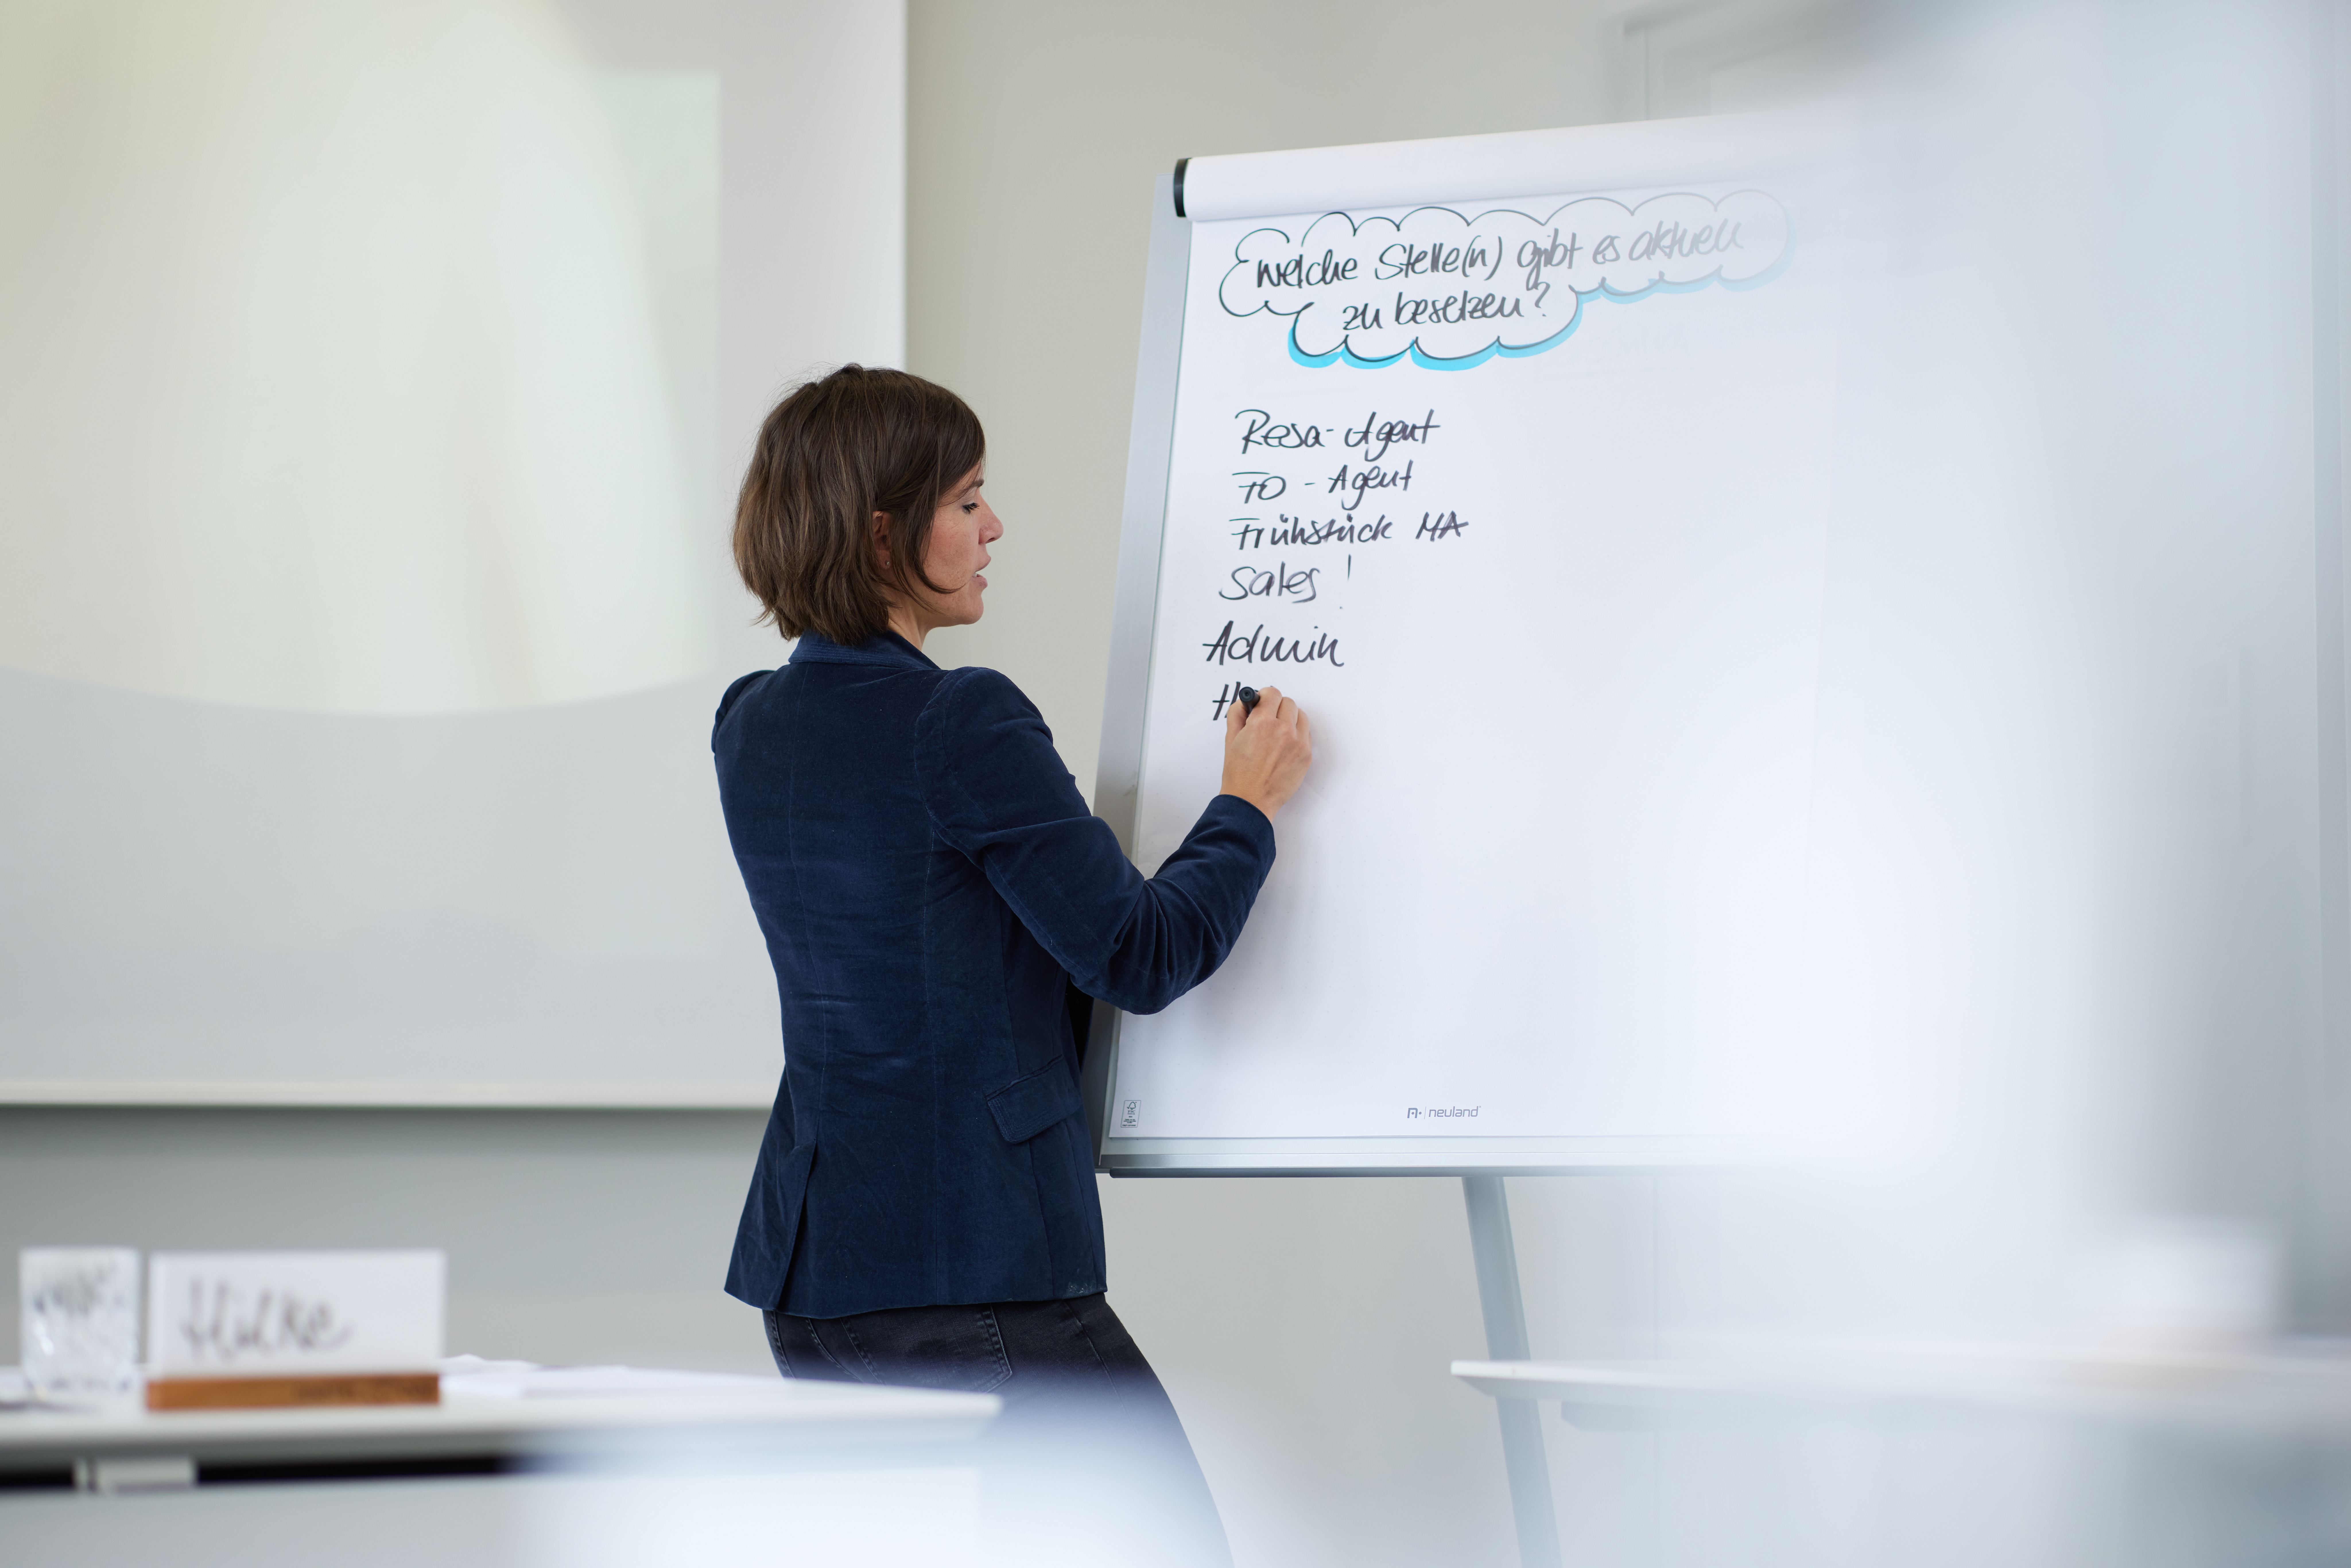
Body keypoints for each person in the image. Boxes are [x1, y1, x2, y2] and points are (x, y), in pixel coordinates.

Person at [711, 365, 1312, 1564]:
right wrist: (1243, 807)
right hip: (968, 1274)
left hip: (813, 1277)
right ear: (882, 529)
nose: (994, 529)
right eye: (967, 500)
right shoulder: (960, 718)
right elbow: (1137, 952)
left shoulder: (748, 720)